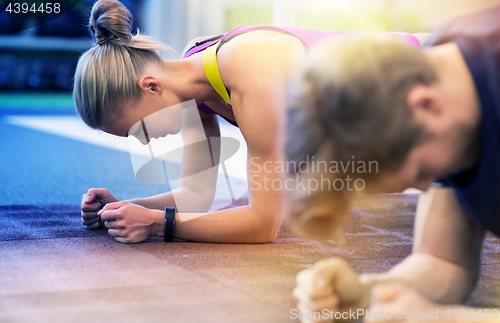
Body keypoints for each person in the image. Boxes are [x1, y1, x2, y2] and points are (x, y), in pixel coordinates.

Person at [75, 0, 422, 244]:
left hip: (421, 85)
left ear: (151, 87)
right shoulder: (193, 80)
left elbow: (262, 224)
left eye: (139, 130)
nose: (146, 142)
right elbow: (196, 195)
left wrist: (158, 226)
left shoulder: (248, 68)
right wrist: (126, 208)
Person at [287, 4, 500, 322]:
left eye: (422, 172)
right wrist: (366, 295)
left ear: (426, 105)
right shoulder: (439, 66)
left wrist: (444, 318)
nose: (430, 186)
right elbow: (443, 261)